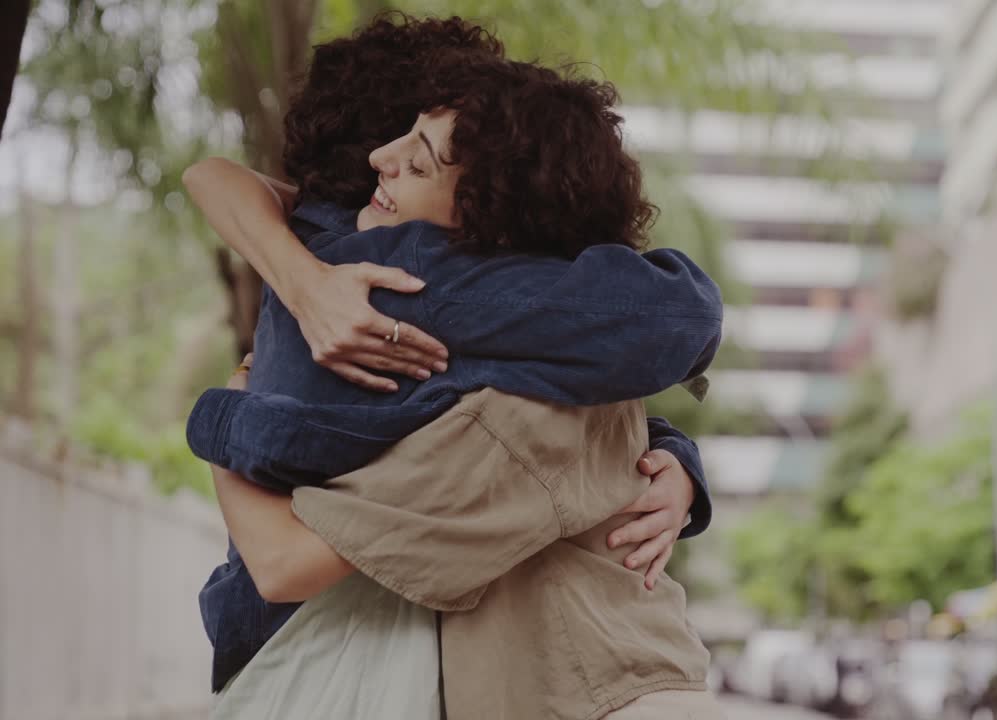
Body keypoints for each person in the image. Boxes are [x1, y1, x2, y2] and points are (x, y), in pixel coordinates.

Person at [185, 14, 725, 719]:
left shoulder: (331, 253)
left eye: (419, 159)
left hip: (569, 682)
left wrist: (229, 408)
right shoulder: (417, 278)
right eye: (403, 139)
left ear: (483, 216)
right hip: (609, 679)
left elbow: (213, 175)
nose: (386, 158)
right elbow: (676, 320)